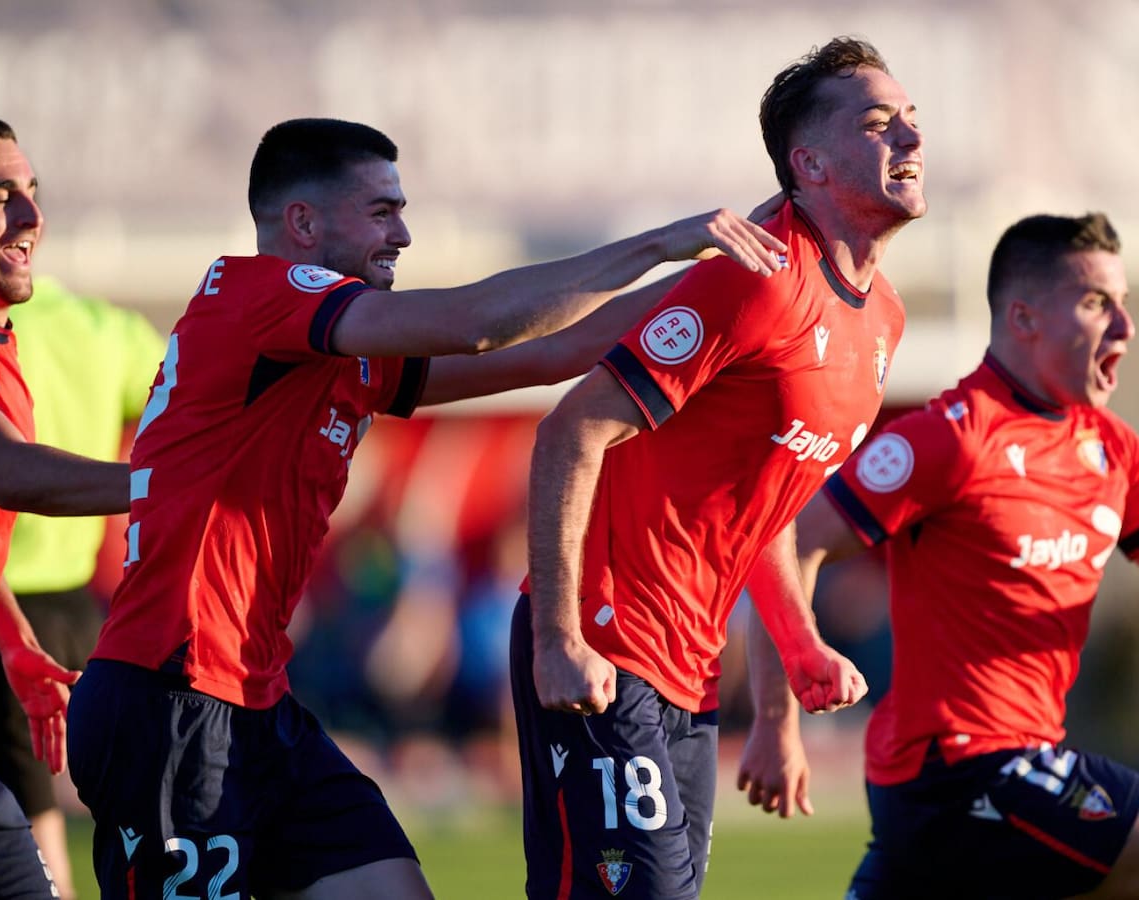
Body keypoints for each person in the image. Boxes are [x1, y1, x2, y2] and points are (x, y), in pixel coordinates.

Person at [64, 116, 790, 900]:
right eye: (381, 211)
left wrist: (741, 271)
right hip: (169, 698)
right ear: (303, 222)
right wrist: (659, 243)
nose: (403, 233)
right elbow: (478, 325)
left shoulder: (336, 345)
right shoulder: (261, 292)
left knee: (390, 887)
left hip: (257, 700)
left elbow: (548, 352)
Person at [512, 34, 926, 899]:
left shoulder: (882, 317)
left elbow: (765, 510)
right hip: (608, 643)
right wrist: (559, 637)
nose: (912, 141)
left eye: (913, 120)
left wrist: (787, 681)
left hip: (694, 671)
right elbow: (568, 433)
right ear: (807, 162)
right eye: (881, 124)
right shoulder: (756, 278)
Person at [739, 212, 1139, 899]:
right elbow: (785, 540)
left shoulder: (1112, 450)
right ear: (1024, 318)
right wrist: (776, 722)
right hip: (955, 772)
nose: (1124, 328)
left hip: (1017, 765)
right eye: (1098, 302)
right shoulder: (950, 440)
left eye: (1124, 304)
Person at [0, 114, 132, 898]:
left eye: (32, 193)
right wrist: (177, 482)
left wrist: (13, 644)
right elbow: (10, 473)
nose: (30, 216)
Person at [0, 275, 166, 900]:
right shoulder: (105, 327)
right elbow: (185, 397)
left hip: (2, 614)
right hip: (83, 610)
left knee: (32, 826)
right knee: (122, 820)